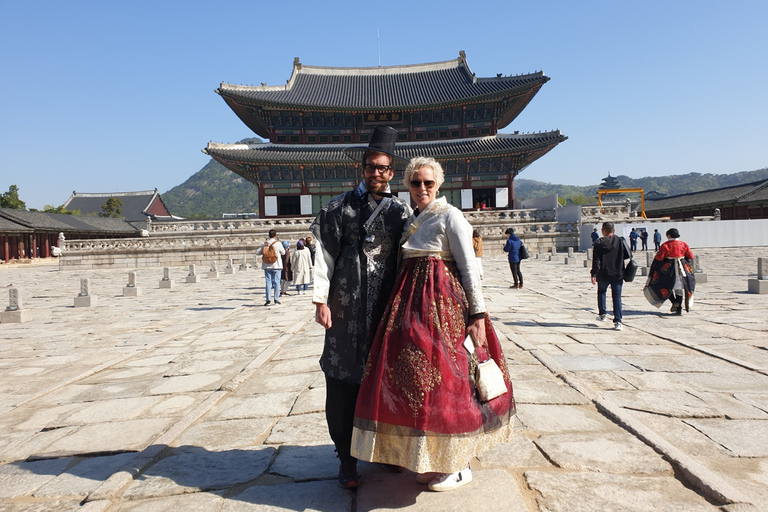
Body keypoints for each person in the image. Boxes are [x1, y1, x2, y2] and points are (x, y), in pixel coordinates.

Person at [351, 156, 515, 492]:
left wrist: (478, 315)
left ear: (438, 184)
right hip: (410, 309)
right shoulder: (413, 218)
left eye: (428, 182)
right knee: (418, 383)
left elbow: (470, 268)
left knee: (450, 383)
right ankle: (432, 456)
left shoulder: (451, 216)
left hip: (445, 310)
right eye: (415, 182)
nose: (422, 188)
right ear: (408, 185)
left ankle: (458, 463)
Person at [310, 126, 411, 489]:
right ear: (362, 168)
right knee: (342, 384)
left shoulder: (402, 212)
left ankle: (387, 451)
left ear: (392, 171)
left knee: (387, 382)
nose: (377, 173)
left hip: (386, 312)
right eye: (371, 166)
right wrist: (320, 299)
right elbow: (324, 257)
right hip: (345, 312)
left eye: (384, 168)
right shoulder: (338, 209)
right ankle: (346, 459)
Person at [643, 228, 695, 315]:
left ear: (669, 235)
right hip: (681, 269)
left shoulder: (665, 245)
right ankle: (679, 308)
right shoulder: (683, 244)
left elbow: (659, 258)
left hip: (669, 269)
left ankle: (674, 302)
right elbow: (690, 255)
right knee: (679, 289)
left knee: (666, 286)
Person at [591, 222, 626, 331]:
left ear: (602, 231)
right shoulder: (620, 241)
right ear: (614, 230)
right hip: (618, 273)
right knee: (617, 297)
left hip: (603, 273)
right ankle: (618, 321)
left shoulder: (599, 243)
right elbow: (627, 255)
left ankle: (603, 314)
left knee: (602, 292)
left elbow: (596, 261)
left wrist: (594, 273)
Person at [255, 229, 285, 306]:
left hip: (267, 265)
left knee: (268, 282)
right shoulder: (278, 244)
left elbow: (257, 252)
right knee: (276, 282)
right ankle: (276, 299)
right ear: (275, 235)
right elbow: (283, 252)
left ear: (269, 235)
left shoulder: (264, 244)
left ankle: (268, 299)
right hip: (276, 265)